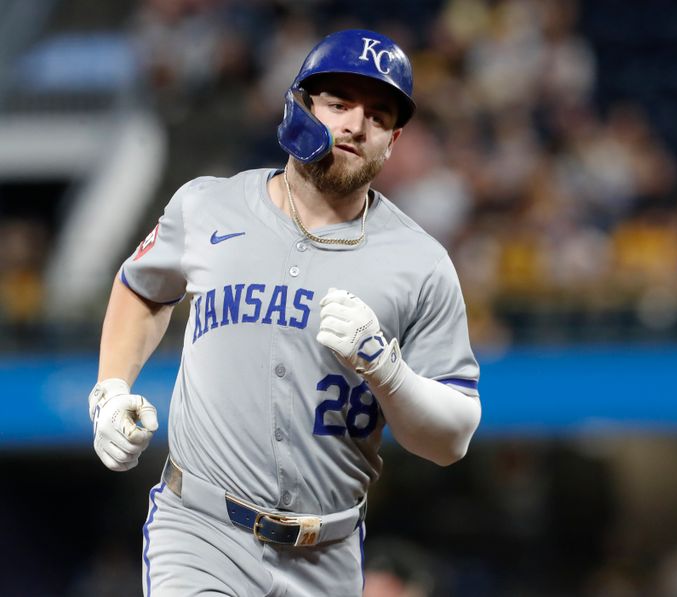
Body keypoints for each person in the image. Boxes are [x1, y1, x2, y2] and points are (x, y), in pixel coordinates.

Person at [88, 29, 481, 596]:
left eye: (377, 115)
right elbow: (142, 288)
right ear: (300, 106)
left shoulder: (422, 262)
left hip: (328, 554)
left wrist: (386, 368)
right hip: (202, 533)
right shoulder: (206, 204)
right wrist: (109, 390)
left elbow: (452, 439)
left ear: (393, 139)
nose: (354, 124)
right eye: (339, 104)